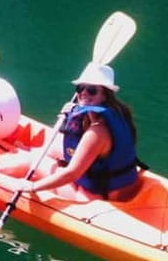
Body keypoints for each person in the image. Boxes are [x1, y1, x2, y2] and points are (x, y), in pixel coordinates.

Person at [18, 62, 141, 201]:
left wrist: (32, 187)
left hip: (96, 196)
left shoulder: (97, 132)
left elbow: (71, 174)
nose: (83, 93)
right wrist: (69, 117)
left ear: (105, 95)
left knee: (31, 161)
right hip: (120, 186)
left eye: (92, 90)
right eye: (80, 88)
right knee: (52, 149)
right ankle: (29, 149)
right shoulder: (116, 113)